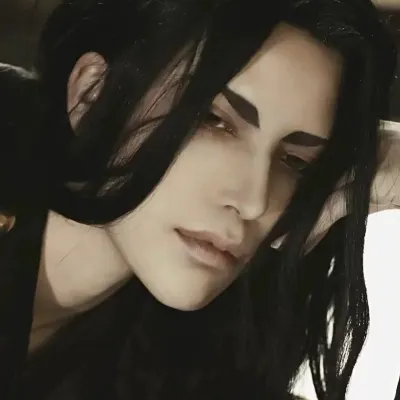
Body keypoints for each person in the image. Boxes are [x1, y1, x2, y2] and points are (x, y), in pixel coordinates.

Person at [0, 0, 398, 399]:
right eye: (214, 120)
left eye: (296, 161)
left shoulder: (185, 351)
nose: (255, 201)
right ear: (92, 92)